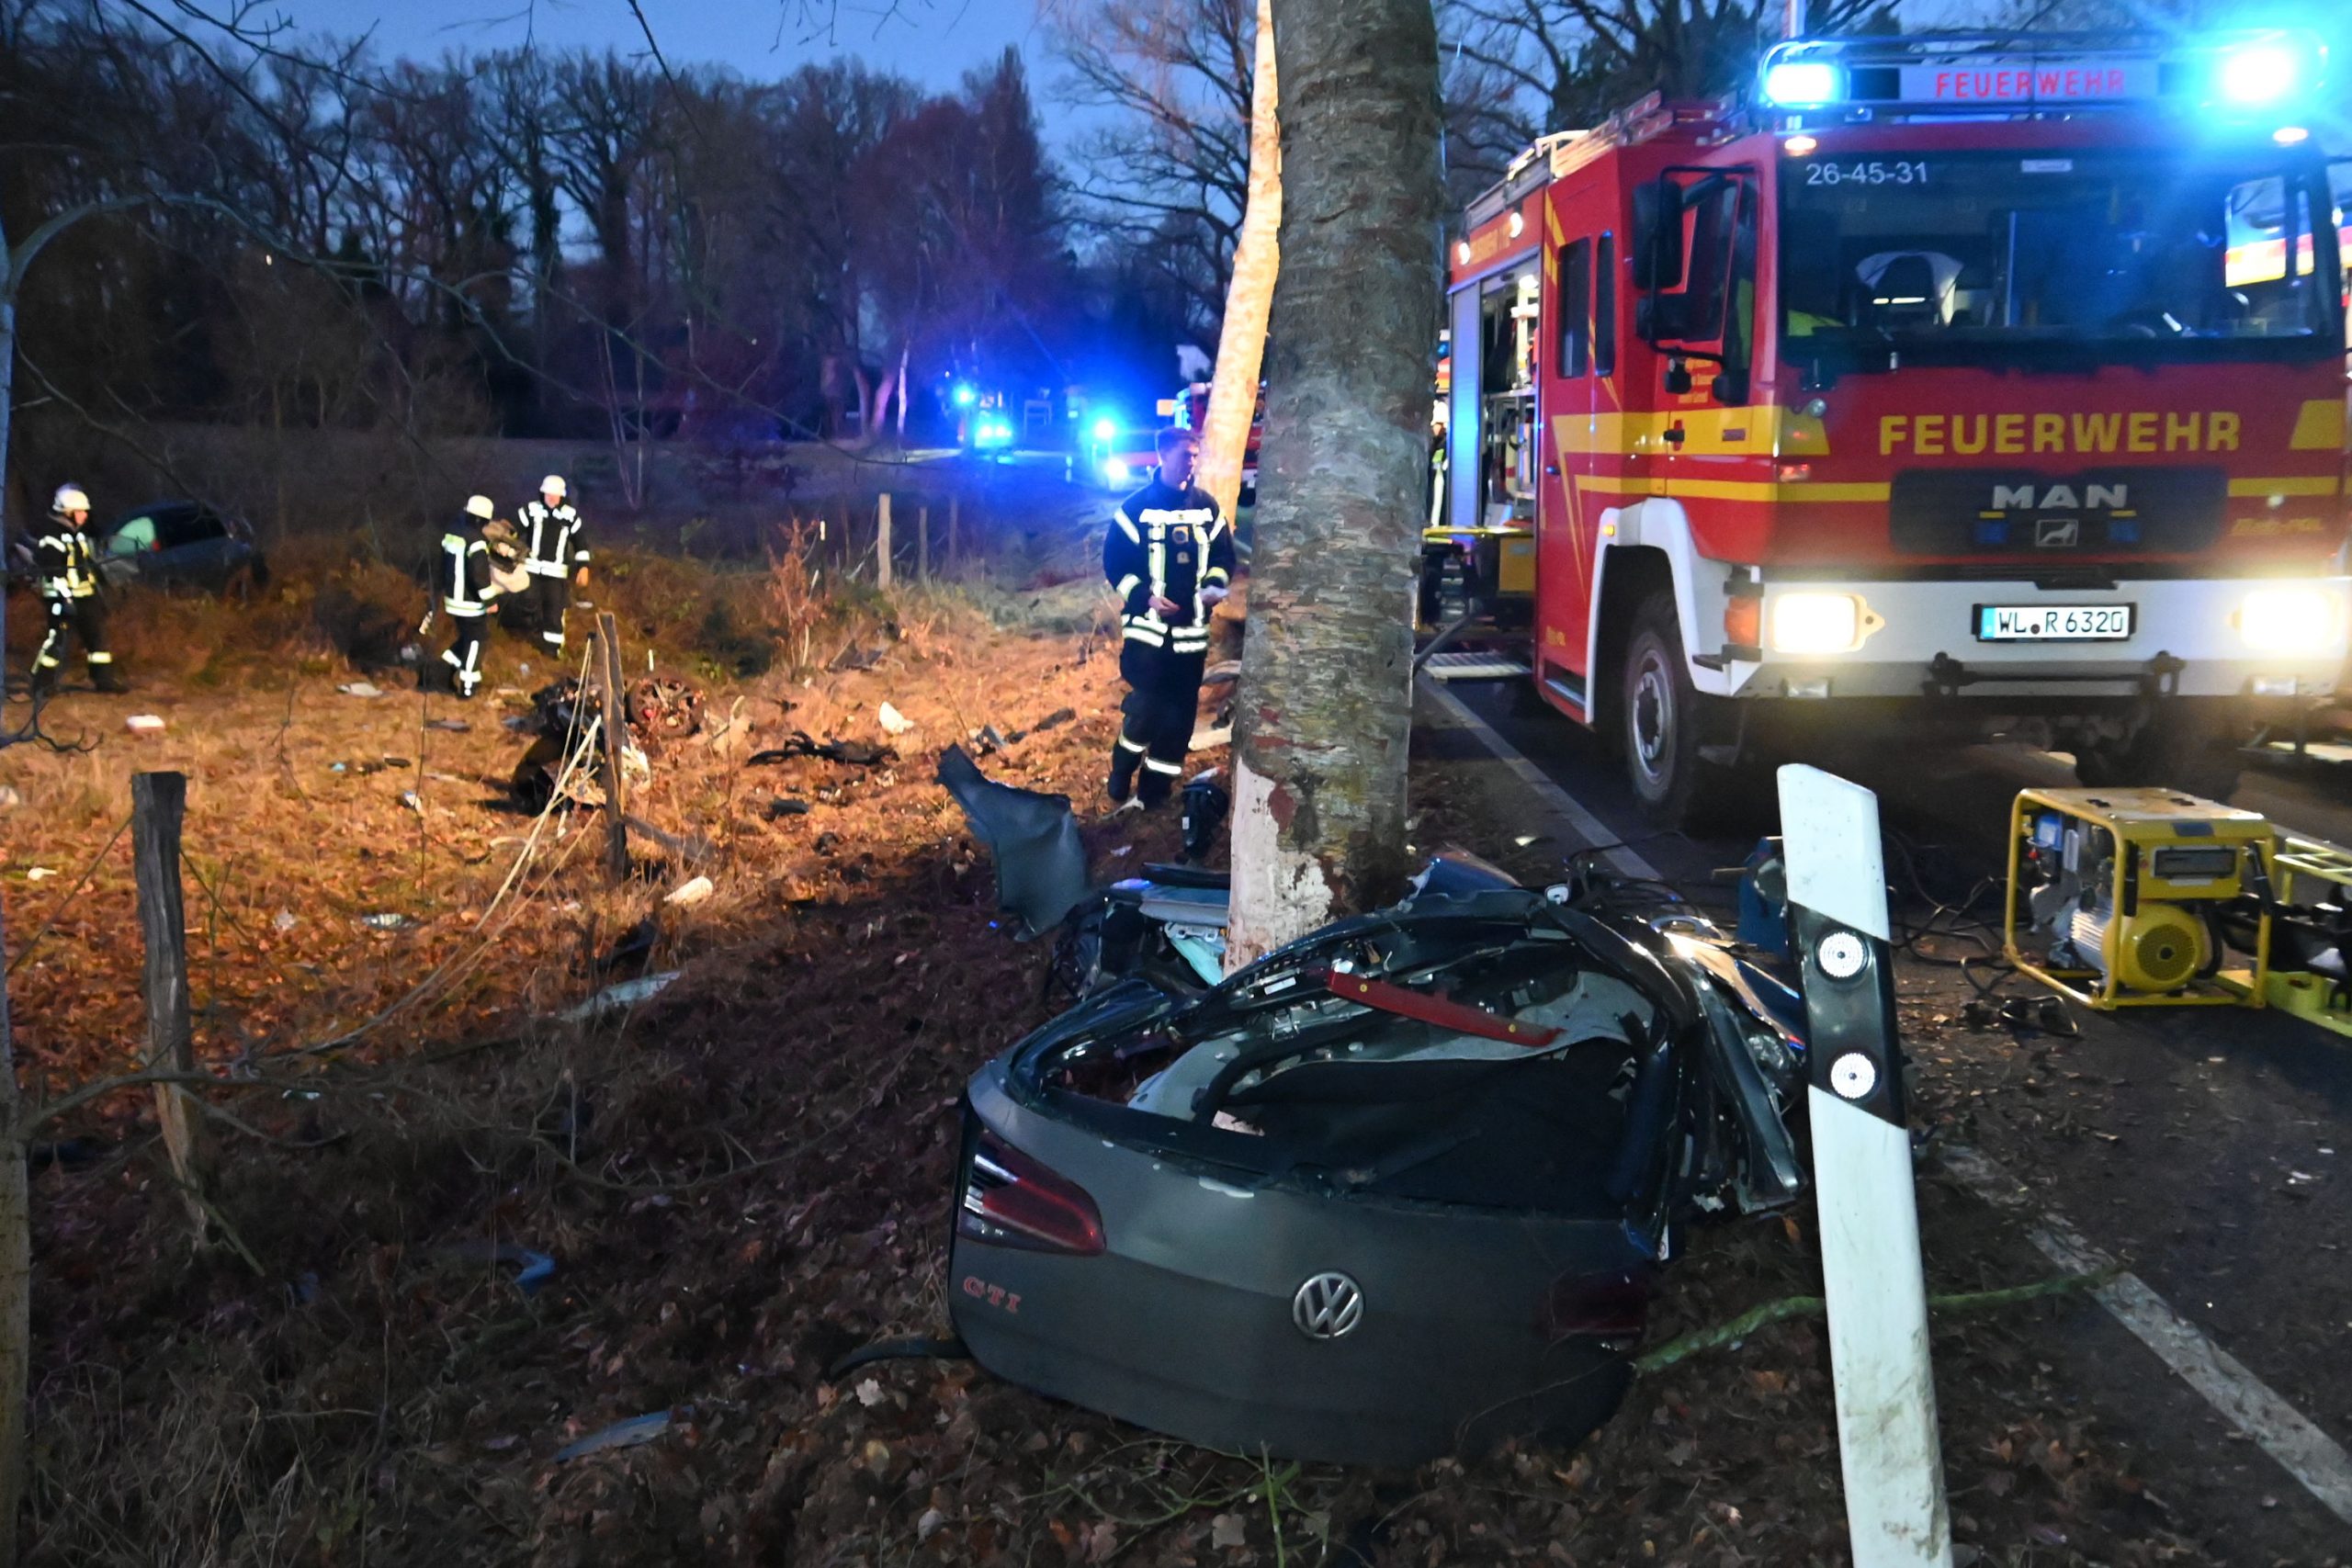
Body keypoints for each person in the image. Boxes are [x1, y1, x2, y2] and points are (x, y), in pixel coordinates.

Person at [1102, 426, 1234, 808]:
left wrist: (1213, 586)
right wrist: (1145, 598)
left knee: (1179, 720)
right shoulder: (1134, 510)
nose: (1190, 462)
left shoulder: (1207, 508)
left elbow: (1224, 558)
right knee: (1147, 708)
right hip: (1147, 634)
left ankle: (1154, 794)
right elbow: (1116, 564)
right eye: (1183, 455)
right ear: (1163, 456)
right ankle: (1123, 766)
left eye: (1194, 456)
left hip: (1191, 636)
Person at [31, 483, 127, 696]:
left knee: (97, 638)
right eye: (81, 511)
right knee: (57, 640)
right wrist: (66, 599)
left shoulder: (76, 534)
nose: (85, 515)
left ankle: (104, 681)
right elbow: (52, 572)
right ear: (67, 512)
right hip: (61, 598)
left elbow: (86, 564)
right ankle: (42, 685)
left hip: (85, 596)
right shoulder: (51, 537)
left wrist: (102, 584)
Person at [429, 495, 517, 700]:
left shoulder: (453, 533)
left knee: (466, 638)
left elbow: (441, 564)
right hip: (469, 601)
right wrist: (490, 601)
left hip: (453, 599)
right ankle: (468, 687)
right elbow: (478, 575)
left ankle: (440, 672)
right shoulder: (476, 541)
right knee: (478, 640)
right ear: (482, 519)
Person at [514, 474, 589, 658]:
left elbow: (581, 544)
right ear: (542, 493)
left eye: (555, 495)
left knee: (554, 610)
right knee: (527, 602)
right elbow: (513, 531)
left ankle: (552, 650)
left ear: (562, 496)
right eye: (548, 494)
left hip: (556, 575)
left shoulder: (570, 516)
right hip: (531, 569)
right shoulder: (531, 510)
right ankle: (529, 635)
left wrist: (584, 567)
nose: (551, 498)